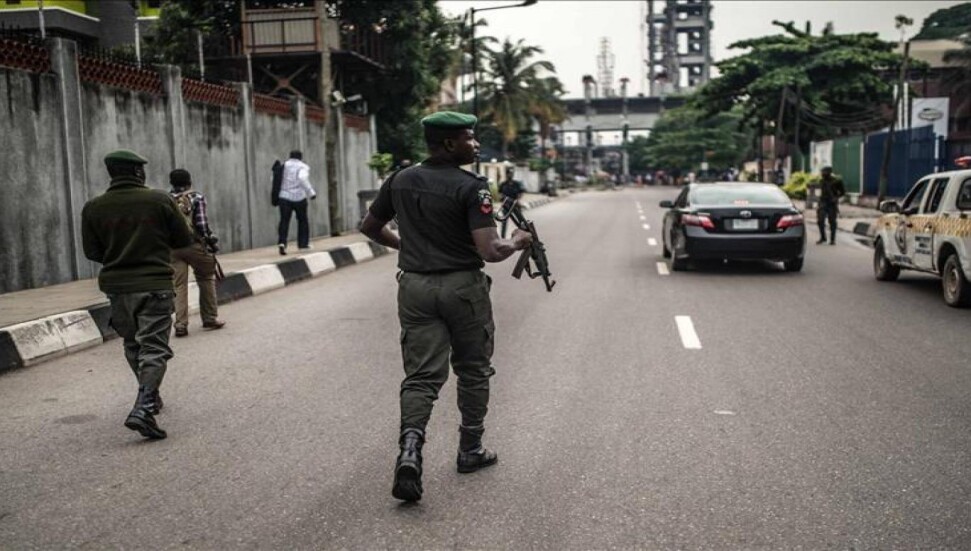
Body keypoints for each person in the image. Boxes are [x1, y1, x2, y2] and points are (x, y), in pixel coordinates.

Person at [360, 111, 533, 503]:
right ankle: (470, 450)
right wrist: (519, 241)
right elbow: (490, 250)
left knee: (421, 377)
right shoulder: (473, 187)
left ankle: (410, 451)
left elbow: (369, 227)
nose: (475, 145)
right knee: (473, 369)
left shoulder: (400, 179)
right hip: (462, 288)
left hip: (415, 287)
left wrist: (409, 247)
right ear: (450, 144)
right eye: (469, 138)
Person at [80, 149, 195, 440]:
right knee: (155, 347)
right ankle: (144, 407)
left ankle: (150, 396)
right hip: (154, 284)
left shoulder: (93, 207)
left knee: (133, 344)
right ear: (137, 173)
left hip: (117, 288)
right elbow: (183, 239)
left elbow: (92, 252)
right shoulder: (159, 200)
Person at [169, 169, 226, 338]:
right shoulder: (196, 197)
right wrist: (209, 240)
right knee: (206, 277)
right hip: (193, 245)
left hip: (172, 248)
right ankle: (209, 318)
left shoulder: (165, 199)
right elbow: (201, 224)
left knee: (179, 285)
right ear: (189, 182)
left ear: (171, 183)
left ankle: (180, 324)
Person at [277, 150, 316, 255]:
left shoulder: (283, 165)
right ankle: (303, 243)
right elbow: (302, 178)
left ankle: (282, 242)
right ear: (300, 157)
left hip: (284, 197)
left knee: (284, 221)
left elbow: (275, 179)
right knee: (302, 220)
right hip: (299, 197)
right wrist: (311, 192)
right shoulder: (303, 166)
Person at [816, 166, 846, 245]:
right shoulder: (821, 181)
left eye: (824, 172)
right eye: (822, 172)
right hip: (823, 202)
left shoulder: (836, 181)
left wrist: (836, 198)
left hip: (832, 203)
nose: (822, 174)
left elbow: (842, 192)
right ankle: (823, 237)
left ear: (829, 173)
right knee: (820, 220)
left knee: (832, 221)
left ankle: (832, 239)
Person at [498, 167, 525, 238]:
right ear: (506, 174)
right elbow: (500, 194)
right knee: (504, 222)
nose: (510, 175)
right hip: (506, 206)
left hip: (515, 205)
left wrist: (518, 199)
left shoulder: (516, 184)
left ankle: (523, 235)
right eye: (509, 173)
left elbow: (520, 193)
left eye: (511, 173)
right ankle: (502, 237)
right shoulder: (503, 184)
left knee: (520, 221)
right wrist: (503, 198)